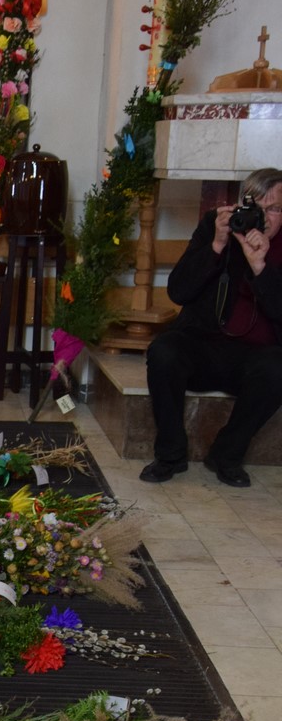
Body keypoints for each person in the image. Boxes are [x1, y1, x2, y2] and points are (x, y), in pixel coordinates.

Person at [141, 168, 282, 489]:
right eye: (257, 207)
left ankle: (226, 456)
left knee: (279, 368)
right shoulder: (217, 226)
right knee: (164, 350)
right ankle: (170, 455)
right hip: (204, 344)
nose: (264, 218)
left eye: (274, 209)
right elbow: (178, 290)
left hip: (258, 358)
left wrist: (261, 267)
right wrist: (216, 245)